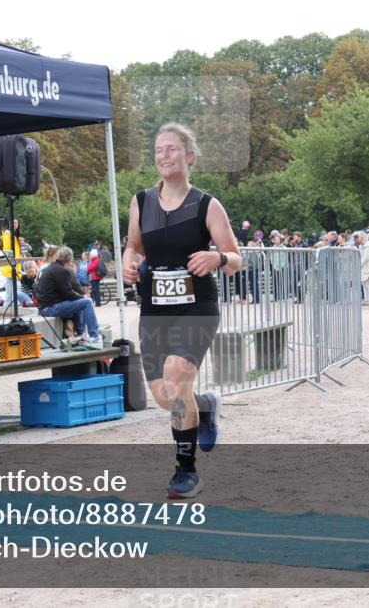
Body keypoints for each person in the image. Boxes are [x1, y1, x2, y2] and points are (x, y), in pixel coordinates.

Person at [121, 123, 241, 499]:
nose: (163, 155)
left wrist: (216, 256)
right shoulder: (141, 202)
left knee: (176, 378)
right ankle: (204, 406)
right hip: (155, 310)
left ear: (189, 157)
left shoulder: (207, 204)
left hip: (197, 307)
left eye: (172, 149)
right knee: (165, 396)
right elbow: (134, 247)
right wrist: (127, 262)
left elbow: (237, 258)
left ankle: (185, 470)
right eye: (158, 150)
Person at [35, 246, 102, 348]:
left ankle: (81, 335)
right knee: (86, 302)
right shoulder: (62, 270)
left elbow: (67, 293)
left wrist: (80, 297)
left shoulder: (52, 268)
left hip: (46, 306)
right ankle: (94, 336)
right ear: (69, 259)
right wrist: (82, 297)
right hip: (49, 309)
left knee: (81, 302)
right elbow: (69, 294)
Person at [0, 218, 23, 312]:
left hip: (13, 266)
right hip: (11, 266)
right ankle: (12, 309)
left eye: (16, 222)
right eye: (13, 223)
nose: (15, 224)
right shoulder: (8, 234)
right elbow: (7, 250)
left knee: (11, 292)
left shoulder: (12, 235)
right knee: (13, 292)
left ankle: (10, 308)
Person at [356, 232, 369, 303]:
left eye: (358, 237)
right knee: (363, 283)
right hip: (362, 266)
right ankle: (366, 299)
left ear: (362, 237)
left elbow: (366, 257)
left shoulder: (368, 245)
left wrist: (359, 265)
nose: (357, 239)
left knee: (368, 283)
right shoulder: (360, 245)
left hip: (366, 266)